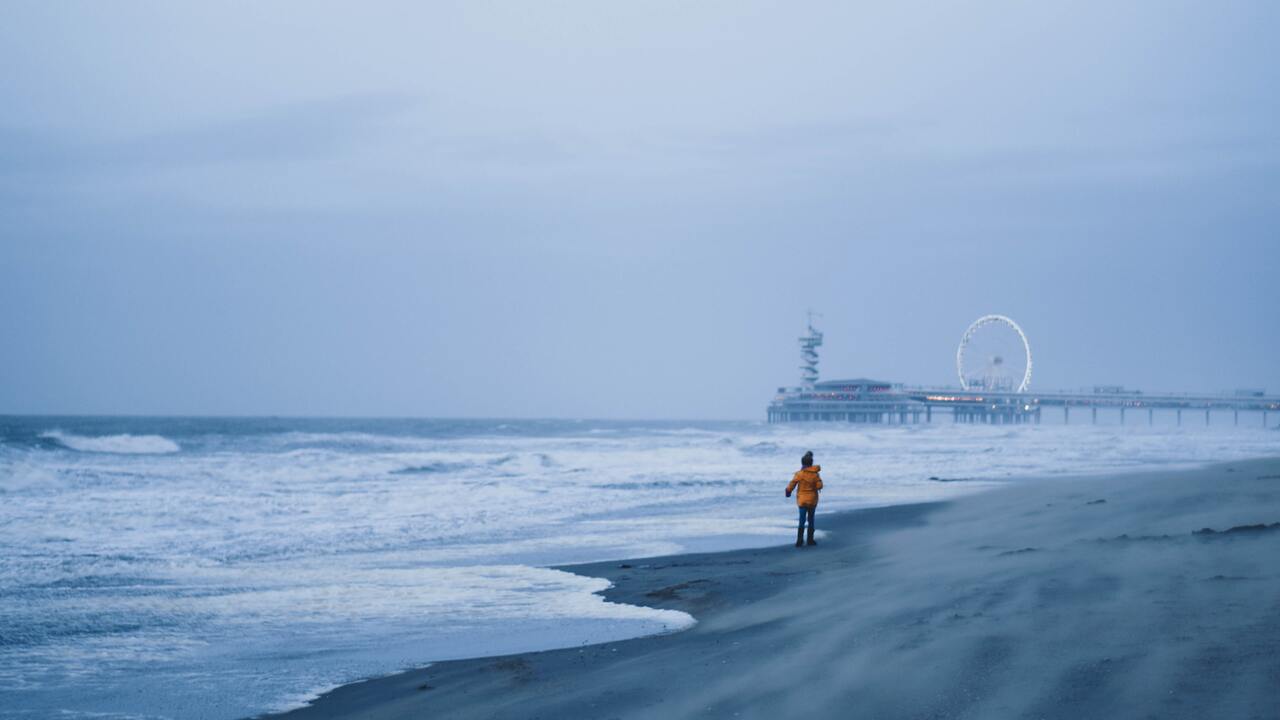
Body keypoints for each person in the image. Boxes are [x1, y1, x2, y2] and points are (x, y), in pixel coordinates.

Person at [786, 451, 823, 547]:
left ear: (802, 463)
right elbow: (820, 486)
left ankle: (799, 540)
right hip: (812, 500)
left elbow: (792, 484)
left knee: (801, 520)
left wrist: (788, 492)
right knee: (811, 519)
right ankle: (810, 540)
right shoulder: (815, 475)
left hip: (802, 500)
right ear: (811, 463)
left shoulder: (799, 474)